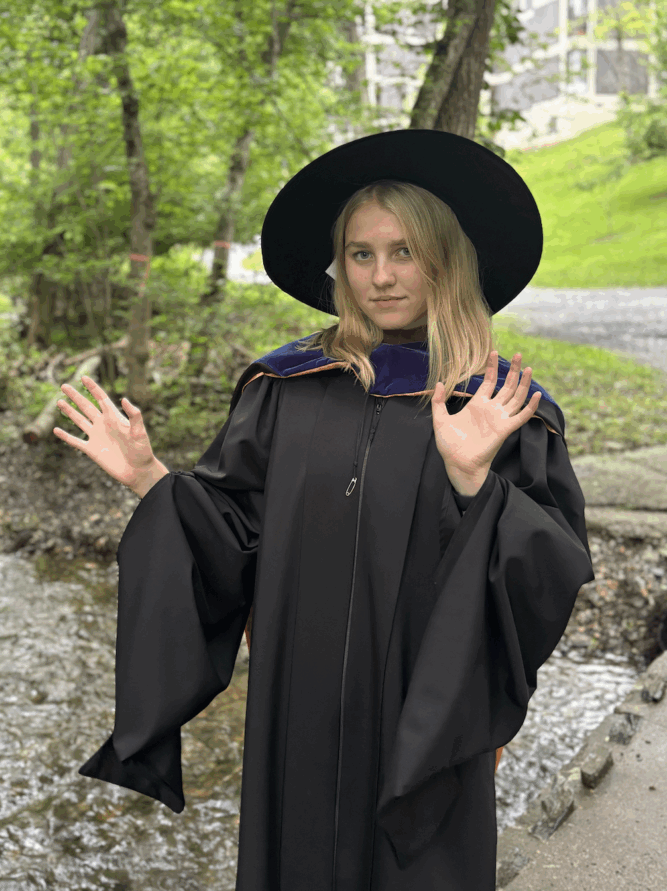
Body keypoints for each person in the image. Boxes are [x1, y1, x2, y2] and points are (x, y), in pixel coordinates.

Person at [53, 129, 594, 891]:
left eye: (403, 252)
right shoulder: (285, 389)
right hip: (295, 704)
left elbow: (551, 571)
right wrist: (150, 478)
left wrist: (478, 484)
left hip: (428, 711)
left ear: (447, 260)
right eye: (361, 253)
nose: (380, 276)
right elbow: (231, 535)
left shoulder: (499, 407)